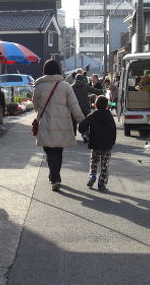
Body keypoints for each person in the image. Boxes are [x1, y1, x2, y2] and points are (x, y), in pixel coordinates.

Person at [33, 59, 85, 192]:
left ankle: (55, 177)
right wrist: (82, 122)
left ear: (45, 70)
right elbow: (74, 106)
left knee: (49, 152)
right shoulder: (65, 86)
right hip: (62, 124)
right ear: (58, 70)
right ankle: (55, 176)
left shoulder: (39, 86)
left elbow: (35, 106)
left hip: (45, 123)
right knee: (58, 151)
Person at [78, 95, 117, 191]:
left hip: (95, 143)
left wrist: (85, 133)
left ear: (95, 105)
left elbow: (82, 125)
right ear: (107, 106)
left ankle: (92, 176)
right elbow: (113, 130)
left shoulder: (93, 115)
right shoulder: (109, 116)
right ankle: (102, 182)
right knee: (105, 164)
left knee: (94, 161)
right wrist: (112, 142)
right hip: (107, 145)